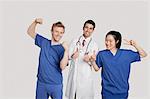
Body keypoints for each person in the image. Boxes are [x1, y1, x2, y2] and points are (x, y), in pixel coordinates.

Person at [90, 31, 147, 99]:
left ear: (117, 41)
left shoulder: (126, 54)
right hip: (107, 92)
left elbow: (143, 54)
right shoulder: (102, 54)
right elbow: (96, 69)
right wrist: (92, 61)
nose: (107, 43)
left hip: (122, 92)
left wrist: (135, 45)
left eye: (110, 41)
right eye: (106, 40)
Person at [27, 18, 69, 99]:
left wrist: (66, 51)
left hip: (55, 85)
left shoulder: (62, 49)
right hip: (42, 83)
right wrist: (35, 22)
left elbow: (62, 67)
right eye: (56, 31)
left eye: (61, 33)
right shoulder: (44, 42)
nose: (58, 34)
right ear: (52, 31)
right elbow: (30, 32)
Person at [65, 20, 99, 99]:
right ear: (83, 28)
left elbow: (95, 64)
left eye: (90, 28)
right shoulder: (75, 41)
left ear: (93, 30)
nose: (88, 30)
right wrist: (73, 55)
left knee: (84, 95)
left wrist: (90, 60)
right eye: (86, 27)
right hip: (74, 75)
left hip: (85, 77)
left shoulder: (94, 45)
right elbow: (67, 57)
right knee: (73, 95)